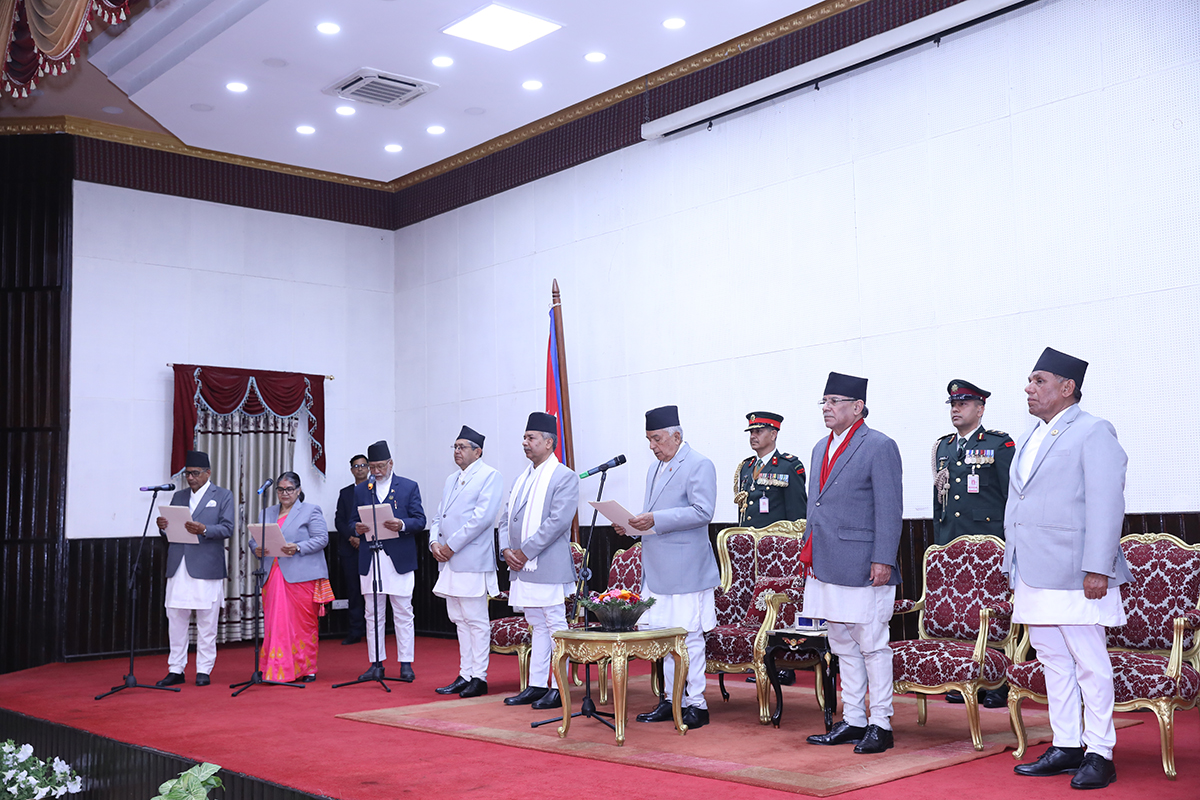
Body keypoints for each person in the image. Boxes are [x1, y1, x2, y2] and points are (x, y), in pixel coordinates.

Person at [1005, 348, 1130, 790]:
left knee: (1089, 662)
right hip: (1033, 570)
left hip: (1077, 571)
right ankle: (1067, 744)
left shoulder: (1094, 431)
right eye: (1030, 380)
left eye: (1038, 380)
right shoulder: (1028, 436)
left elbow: (1106, 501)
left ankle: (1100, 752)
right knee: (1053, 659)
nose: (1029, 388)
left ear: (1066, 387)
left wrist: (1099, 566)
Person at [802, 373, 903, 754]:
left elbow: (890, 509)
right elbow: (817, 506)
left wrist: (883, 559)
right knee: (841, 642)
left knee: (872, 643)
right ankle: (855, 719)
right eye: (823, 402)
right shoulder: (819, 447)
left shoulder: (879, 445)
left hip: (864, 563)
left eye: (834, 401)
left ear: (857, 407)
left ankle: (881, 722)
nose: (826, 408)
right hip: (826, 561)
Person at [614, 405, 719, 731]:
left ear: (676, 435)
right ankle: (672, 699)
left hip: (687, 569)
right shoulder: (654, 469)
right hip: (657, 570)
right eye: (648, 440)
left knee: (689, 638)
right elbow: (652, 517)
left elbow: (703, 511)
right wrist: (631, 526)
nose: (652, 446)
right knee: (664, 639)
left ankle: (696, 704)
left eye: (656, 439)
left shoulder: (699, 464)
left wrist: (654, 520)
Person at [931, 380, 1014, 708]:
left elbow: (1012, 496)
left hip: (991, 544)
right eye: (952, 404)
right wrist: (941, 545)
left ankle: (997, 681)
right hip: (953, 543)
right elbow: (940, 500)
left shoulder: (998, 445)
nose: (955, 409)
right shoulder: (943, 447)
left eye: (963, 404)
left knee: (992, 612)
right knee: (961, 610)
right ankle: (966, 676)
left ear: (980, 409)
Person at [499, 412, 579, 710]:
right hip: (521, 566)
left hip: (547, 565)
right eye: (524, 437)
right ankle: (536, 685)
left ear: (549, 442)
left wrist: (525, 551)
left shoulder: (564, 476)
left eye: (531, 438)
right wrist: (506, 550)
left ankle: (559, 688)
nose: (525, 443)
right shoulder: (523, 477)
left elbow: (558, 522)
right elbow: (506, 518)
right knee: (536, 624)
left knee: (555, 625)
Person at [430, 425, 503, 698]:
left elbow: (482, 519)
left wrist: (450, 546)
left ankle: (479, 677)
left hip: (471, 559)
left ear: (478, 451)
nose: (457, 451)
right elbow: (439, 517)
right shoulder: (451, 479)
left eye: (462, 447)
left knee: (475, 619)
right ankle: (464, 673)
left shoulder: (489, 476)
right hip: (449, 559)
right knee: (459, 619)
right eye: (455, 447)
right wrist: (434, 543)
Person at [154, 450, 235, 687]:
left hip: (206, 566)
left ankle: (204, 670)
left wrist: (205, 529)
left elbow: (227, 528)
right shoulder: (178, 496)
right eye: (187, 474)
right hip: (178, 565)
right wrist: (163, 527)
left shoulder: (222, 495)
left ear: (208, 473)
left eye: (195, 473)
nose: (190, 478)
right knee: (176, 619)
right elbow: (171, 530)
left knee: (207, 621)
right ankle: (176, 668)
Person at [351, 440, 426, 682]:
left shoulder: (408, 487)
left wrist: (401, 524)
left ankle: (406, 664)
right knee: (372, 613)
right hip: (370, 557)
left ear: (391, 463)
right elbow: (352, 520)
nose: (376, 471)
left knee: (403, 611)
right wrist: (357, 527)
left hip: (398, 559)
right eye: (372, 467)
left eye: (380, 466)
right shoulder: (363, 489)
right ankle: (376, 663)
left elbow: (420, 520)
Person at [250, 471, 332, 682]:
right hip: (272, 574)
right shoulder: (266, 512)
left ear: (298, 490)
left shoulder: (311, 511)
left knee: (302, 624)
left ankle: (307, 668)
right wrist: (256, 548)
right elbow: (254, 538)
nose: (284, 493)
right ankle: (275, 669)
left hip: (301, 576)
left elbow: (322, 539)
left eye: (289, 489)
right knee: (274, 624)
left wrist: (297, 547)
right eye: (280, 489)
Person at [734, 411, 807, 528]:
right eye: (751, 432)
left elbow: (797, 514)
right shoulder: (746, 467)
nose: (753, 436)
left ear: (773, 435)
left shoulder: (788, 466)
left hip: (775, 541)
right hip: (749, 540)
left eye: (758, 432)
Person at [333, 454, 370, 645]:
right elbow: (339, 520)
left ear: (369, 468)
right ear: (351, 470)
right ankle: (355, 630)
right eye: (356, 466)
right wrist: (352, 537)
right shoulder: (345, 493)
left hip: (371, 547)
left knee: (373, 591)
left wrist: (362, 539)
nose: (360, 469)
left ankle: (375, 631)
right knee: (353, 591)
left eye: (364, 465)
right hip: (349, 548)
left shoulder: (375, 490)